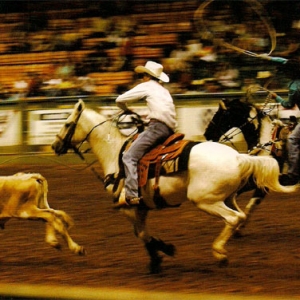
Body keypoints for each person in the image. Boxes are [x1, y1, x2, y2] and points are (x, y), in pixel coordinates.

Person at [115, 61, 177, 207]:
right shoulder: (164, 90)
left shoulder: (147, 86)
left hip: (157, 127)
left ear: (147, 76)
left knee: (129, 156)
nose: (142, 78)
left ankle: (131, 195)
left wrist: (126, 109)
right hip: (169, 129)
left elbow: (119, 100)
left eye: (143, 75)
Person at [261, 55, 300, 185]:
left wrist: (276, 97)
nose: (284, 74)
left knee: (292, 139)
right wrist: (269, 58)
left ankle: (293, 174)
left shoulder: (295, 87)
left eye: (286, 72)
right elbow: (286, 61)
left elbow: (288, 104)